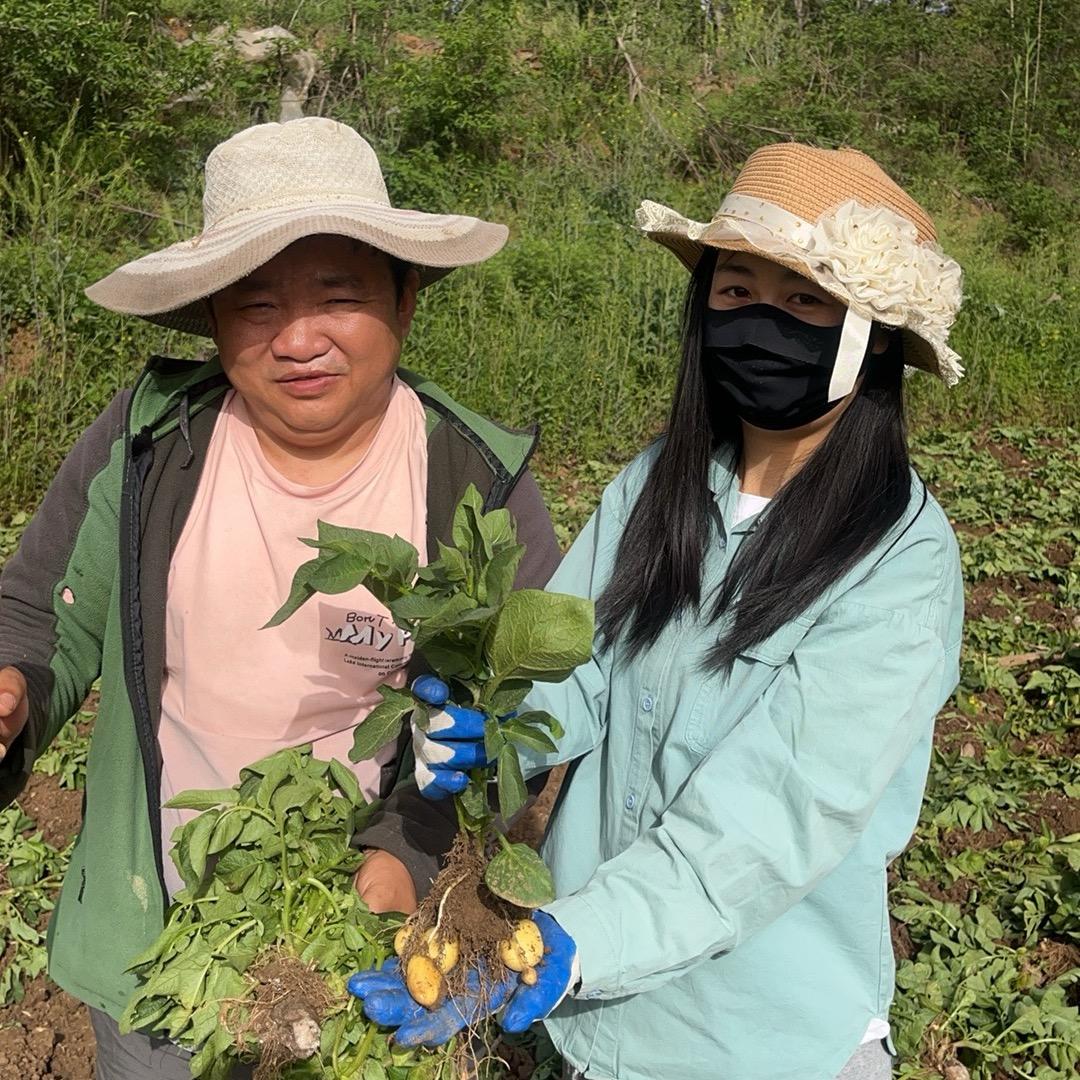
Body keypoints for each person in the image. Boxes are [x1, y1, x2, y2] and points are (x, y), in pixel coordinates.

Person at [352, 144, 966, 1080]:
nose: (762, 323)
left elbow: (770, 822)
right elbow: (581, 666)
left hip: (752, 1036)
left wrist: (572, 945)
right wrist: (500, 732)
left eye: (805, 302)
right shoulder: (663, 484)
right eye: (737, 290)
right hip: (590, 1033)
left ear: (874, 336)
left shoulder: (900, 565)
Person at [0, 117, 560, 1079]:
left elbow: (526, 725)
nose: (297, 339)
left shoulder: (476, 487)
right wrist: (14, 686)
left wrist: (417, 838)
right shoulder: (152, 444)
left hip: (365, 944)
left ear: (407, 299)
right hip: (159, 944)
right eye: (256, 306)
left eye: (339, 296)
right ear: (214, 321)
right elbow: (44, 612)